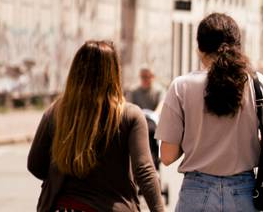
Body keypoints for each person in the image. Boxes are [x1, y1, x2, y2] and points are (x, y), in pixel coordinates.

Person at [156, 13, 263, 212]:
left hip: (196, 193)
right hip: (245, 192)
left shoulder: (181, 87)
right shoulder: (256, 84)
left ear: (199, 49)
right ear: (237, 47)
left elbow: (167, 156)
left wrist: (193, 139)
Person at [27, 40, 164, 212]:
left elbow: (35, 165)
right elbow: (144, 171)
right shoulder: (130, 115)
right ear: (114, 73)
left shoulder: (57, 111)